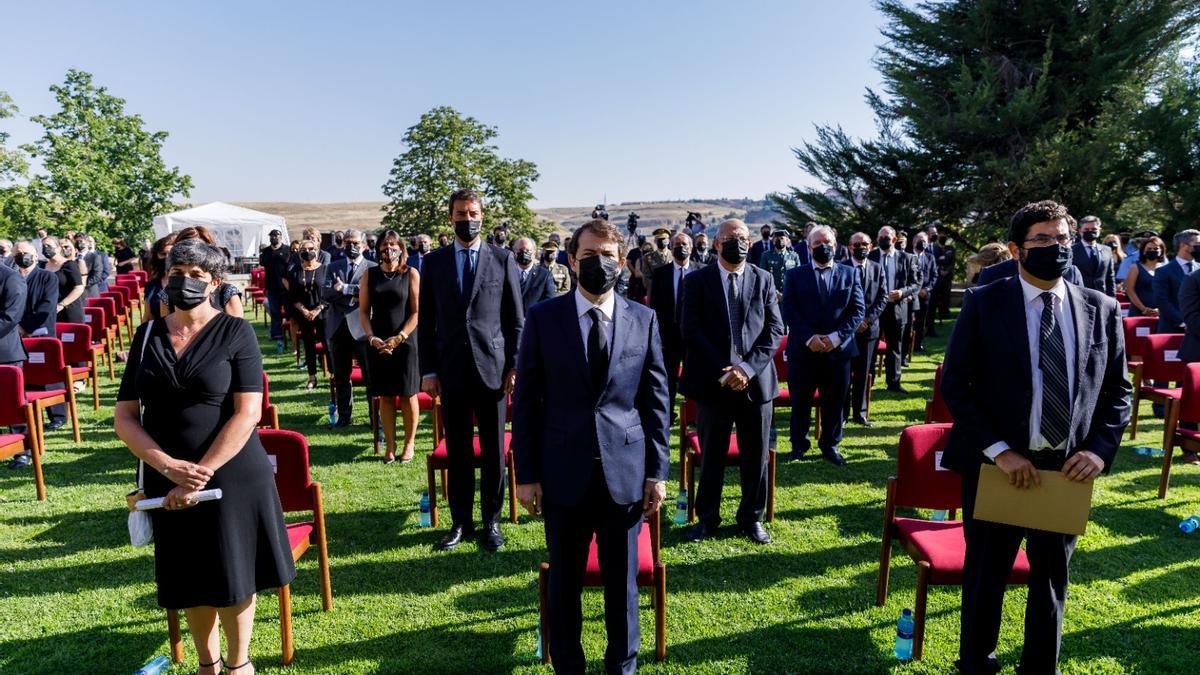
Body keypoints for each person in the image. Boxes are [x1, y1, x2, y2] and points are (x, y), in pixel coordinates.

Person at [940, 199, 1131, 674]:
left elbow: (1118, 390)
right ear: (1016, 249)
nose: (1056, 247)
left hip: (1065, 469)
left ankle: (1040, 667)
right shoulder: (986, 301)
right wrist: (1000, 452)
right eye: (1042, 239)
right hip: (997, 467)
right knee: (987, 575)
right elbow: (956, 385)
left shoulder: (1102, 308)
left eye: (1062, 238)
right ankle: (977, 662)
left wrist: (1099, 450)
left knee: (1050, 580)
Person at [114, 238, 296, 675]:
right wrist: (166, 466)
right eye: (177, 273)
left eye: (197, 275)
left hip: (230, 474)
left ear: (215, 282)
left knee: (233, 574)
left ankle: (239, 665)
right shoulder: (147, 335)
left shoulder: (236, 332)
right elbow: (125, 417)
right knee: (188, 575)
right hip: (165, 471)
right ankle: (206, 665)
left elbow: (248, 412)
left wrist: (199, 474)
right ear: (164, 278)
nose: (185, 282)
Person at [512, 217, 670, 674]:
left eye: (606, 256)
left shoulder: (644, 319)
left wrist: (657, 472)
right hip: (562, 475)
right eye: (588, 256)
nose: (597, 264)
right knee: (564, 584)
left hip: (625, 474)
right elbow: (525, 403)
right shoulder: (543, 318)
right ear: (571, 260)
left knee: (622, 587)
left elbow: (657, 402)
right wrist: (526, 476)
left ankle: (622, 666)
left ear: (622, 262)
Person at [418, 188, 523, 552]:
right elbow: (426, 323)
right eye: (461, 213)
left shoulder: (503, 258)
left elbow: (515, 320)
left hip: (493, 370)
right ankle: (461, 521)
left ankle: (491, 522)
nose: (468, 219)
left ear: (483, 215)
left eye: (473, 212)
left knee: (494, 450)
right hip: (451, 371)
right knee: (459, 449)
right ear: (450, 217)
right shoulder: (433, 263)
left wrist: (514, 365)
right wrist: (428, 370)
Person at [680, 219, 783, 544]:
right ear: (715, 243)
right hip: (714, 383)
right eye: (728, 238)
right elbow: (691, 329)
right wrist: (725, 371)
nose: (735, 243)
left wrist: (747, 369)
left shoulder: (763, 278)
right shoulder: (697, 281)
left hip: (756, 383)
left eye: (741, 238)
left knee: (757, 455)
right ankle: (707, 517)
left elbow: (774, 330)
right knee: (712, 454)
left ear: (750, 242)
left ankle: (751, 517)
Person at [781, 225, 864, 465]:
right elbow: (789, 309)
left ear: (835, 245)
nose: (823, 247)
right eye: (817, 243)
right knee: (800, 401)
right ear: (809, 248)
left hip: (838, 352)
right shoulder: (796, 275)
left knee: (835, 402)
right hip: (804, 351)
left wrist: (836, 338)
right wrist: (810, 338)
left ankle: (830, 444)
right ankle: (799, 445)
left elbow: (857, 310)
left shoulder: (850, 273)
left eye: (827, 242)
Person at [360, 230, 421, 464]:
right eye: (385, 245)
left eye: (394, 245)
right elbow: (364, 312)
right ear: (378, 250)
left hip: (406, 341)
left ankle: (409, 444)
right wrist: (371, 337)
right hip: (378, 342)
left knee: (407, 394)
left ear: (401, 249)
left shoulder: (411, 274)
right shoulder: (369, 275)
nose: (389, 249)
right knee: (385, 396)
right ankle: (390, 446)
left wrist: (401, 336)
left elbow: (416, 312)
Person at [322, 228, 376, 427]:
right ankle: (344, 417)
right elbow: (326, 294)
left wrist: (345, 288)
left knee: (370, 377)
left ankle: (374, 417)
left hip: (362, 330)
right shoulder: (333, 266)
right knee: (341, 377)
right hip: (338, 328)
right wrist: (355, 295)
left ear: (363, 244)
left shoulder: (372, 267)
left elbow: (371, 293)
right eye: (347, 243)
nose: (351, 247)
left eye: (355, 243)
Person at [649, 231, 701, 415]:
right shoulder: (660, 273)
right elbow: (653, 306)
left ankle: (693, 414)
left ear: (691, 247)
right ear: (671, 248)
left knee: (694, 375)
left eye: (685, 244)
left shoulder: (701, 271)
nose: (681, 248)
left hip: (695, 334)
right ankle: (668, 413)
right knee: (668, 377)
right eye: (677, 245)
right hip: (669, 335)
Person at [842, 232, 887, 426]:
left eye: (865, 244)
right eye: (857, 244)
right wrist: (853, 322)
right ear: (850, 247)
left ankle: (860, 413)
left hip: (869, 330)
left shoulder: (877, 268)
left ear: (871, 246)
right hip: (845, 331)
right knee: (844, 373)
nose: (861, 247)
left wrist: (866, 320)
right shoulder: (841, 267)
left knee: (863, 372)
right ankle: (842, 414)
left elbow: (883, 297)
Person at [868, 226, 919, 393]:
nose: (883, 240)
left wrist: (902, 292)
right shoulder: (871, 256)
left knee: (895, 346)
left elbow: (915, 283)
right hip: (875, 308)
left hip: (896, 307)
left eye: (887, 237)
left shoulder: (907, 258)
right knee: (871, 346)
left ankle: (894, 382)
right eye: (880, 237)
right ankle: (868, 381)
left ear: (894, 240)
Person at [171, 227, 244, 318]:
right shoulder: (168, 293)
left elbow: (236, 328)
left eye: (199, 248)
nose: (191, 253)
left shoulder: (226, 292)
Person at [285, 239, 328, 390]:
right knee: (309, 345)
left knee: (327, 343)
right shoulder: (295, 270)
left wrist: (317, 310)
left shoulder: (325, 269)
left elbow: (329, 294)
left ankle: (333, 375)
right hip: (303, 314)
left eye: (311, 248)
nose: (307, 251)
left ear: (316, 250)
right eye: (304, 249)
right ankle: (312, 377)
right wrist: (304, 310)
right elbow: (292, 296)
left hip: (322, 313)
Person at [1152, 229, 1200, 334]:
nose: (1198, 247)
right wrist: (1183, 322)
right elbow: (1162, 301)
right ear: (1183, 245)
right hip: (1172, 329)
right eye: (1197, 244)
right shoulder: (1163, 271)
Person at [259, 228, 291, 351]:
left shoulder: (287, 250)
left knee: (289, 312)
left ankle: (289, 332)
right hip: (271, 288)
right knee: (275, 312)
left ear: (281, 237)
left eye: (276, 236)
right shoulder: (266, 251)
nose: (274, 238)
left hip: (285, 287)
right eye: (272, 236)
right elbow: (262, 264)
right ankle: (277, 334)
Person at [42, 238, 86, 325]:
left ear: (58, 248)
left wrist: (61, 304)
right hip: (48, 311)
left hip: (68, 310)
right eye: (43, 246)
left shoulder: (70, 265)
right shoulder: (42, 266)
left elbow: (79, 288)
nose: (45, 248)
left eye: (48, 246)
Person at [1072, 216, 1116, 296]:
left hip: (1101, 296)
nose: (1090, 231)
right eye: (1086, 230)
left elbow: (1110, 277)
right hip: (1078, 295)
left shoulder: (1107, 250)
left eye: (1094, 229)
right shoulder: (1071, 250)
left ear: (1099, 230)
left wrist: (1112, 298)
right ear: (1080, 231)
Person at [910, 231, 939, 356]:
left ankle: (918, 344)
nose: (922, 243)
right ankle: (907, 345)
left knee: (921, 322)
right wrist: (915, 291)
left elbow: (934, 275)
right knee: (909, 322)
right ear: (914, 241)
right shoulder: (907, 255)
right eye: (920, 240)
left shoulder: (930, 257)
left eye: (925, 241)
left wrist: (926, 289)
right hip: (910, 295)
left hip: (924, 295)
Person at [1124, 236, 1163, 317]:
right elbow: (1129, 290)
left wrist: (1161, 309)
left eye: (1155, 249)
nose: (1152, 251)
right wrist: (1144, 309)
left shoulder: (1165, 268)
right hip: (1139, 312)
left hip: (1160, 312)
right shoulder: (1135, 267)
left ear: (1161, 251)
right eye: (1149, 249)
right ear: (1143, 251)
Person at [513, 237, 555, 310]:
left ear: (534, 252)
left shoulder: (544, 275)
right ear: (515, 252)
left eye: (527, 250)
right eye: (521, 250)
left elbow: (549, 302)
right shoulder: (507, 272)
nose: (524, 253)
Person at [760, 228, 802, 297]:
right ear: (773, 241)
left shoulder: (794, 256)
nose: (779, 240)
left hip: (790, 294)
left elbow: (798, 277)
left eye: (782, 238)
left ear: (787, 241)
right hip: (771, 294)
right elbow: (763, 276)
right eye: (776, 238)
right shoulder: (766, 255)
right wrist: (775, 292)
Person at [927, 225, 955, 324]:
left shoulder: (944, 248)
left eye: (936, 233)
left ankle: (939, 318)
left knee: (941, 299)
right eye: (933, 233)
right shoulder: (928, 247)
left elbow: (948, 262)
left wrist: (946, 270)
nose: (937, 235)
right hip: (931, 279)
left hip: (942, 279)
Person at [144, 235, 176, 320]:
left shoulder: (186, 283)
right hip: (157, 331)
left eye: (171, 254)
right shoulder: (151, 285)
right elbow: (147, 316)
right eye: (163, 254)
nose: (167, 257)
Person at [638, 228, 672, 300]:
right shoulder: (647, 257)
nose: (661, 241)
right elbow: (646, 278)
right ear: (655, 241)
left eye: (663, 239)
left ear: (668, 241)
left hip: (672, 292)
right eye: (659, 239)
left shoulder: (674, 255)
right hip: (655, 294)